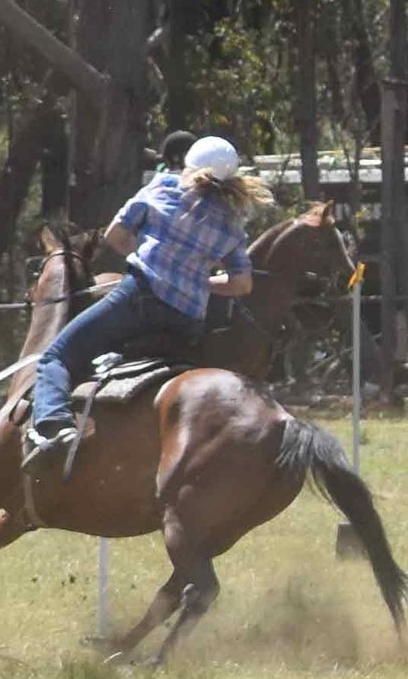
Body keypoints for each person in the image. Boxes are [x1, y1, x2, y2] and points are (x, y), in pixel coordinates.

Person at [22, 134, 265, 469]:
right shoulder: (232, 222)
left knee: (57, 356)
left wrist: (146, 254)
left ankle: (53, 424)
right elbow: (242, 283)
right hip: (187, 321)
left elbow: (114, 235)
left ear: (189, 163)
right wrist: (199, 281)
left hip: (139, 299)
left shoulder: (164, 186)